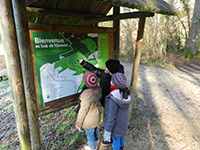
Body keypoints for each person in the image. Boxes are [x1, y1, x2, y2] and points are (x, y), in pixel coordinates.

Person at [102, 73, 132, 150]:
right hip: (123, 123)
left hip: (116, 126)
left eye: (112, 80)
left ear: (115, 84)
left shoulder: (113, 98)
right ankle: (121, 147)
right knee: (121, 136)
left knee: (115, 141)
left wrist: (108, 131)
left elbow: (111, 116)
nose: (110, 81)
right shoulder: (126, 94)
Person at [75, 72, 102, 150]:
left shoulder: (86, 96)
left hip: (88, 121)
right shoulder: (99, 89)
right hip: (96, 117)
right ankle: (96, 143)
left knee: (90, 136)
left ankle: (92, 147)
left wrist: (78, 124)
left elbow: (82, 112)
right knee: (95, 132)